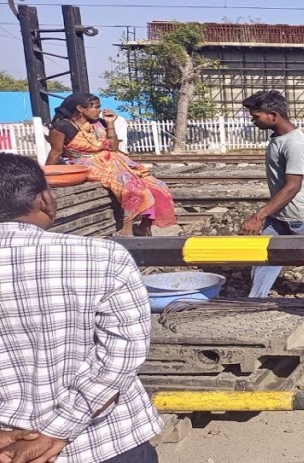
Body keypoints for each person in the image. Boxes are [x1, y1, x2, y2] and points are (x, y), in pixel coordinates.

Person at [0, 154, 163, 463]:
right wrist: (57, 430)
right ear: (46, 199)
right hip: (101, 441)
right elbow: (123, 354)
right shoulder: (101, 257)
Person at [45, 93, 175, 237]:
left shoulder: (99, 123)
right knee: (133, 188)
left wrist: (110, 123)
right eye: (95, 107)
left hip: (112, 160)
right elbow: (55, 153)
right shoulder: (62, 126)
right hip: (86, 165)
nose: (99, 110)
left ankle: (144, 227)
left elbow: (112, 147)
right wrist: (45, 177)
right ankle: (127, 230)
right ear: (80, 108)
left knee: (158, 186)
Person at [241, 91, 304, 298]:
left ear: (273, 115)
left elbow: (292, 186)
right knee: (265, 256)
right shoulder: (279, 139)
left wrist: (258, 216)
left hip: (302, 217)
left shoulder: (294, 144)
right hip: (280, 215)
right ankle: (255, 299)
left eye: (256, 117)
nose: (254, 121)